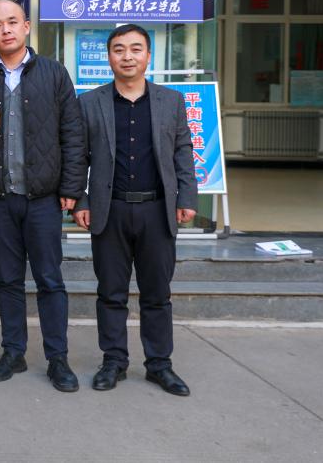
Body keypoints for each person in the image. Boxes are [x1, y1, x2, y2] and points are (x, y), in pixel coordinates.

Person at [72, 23, 197, 397]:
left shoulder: (171, 101)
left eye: (136, 49)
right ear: (109, 57)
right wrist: (80, 200)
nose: (127, 56)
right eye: (119, 49)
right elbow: (77, 157)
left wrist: (187, 197)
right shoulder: (89, 102)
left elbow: (183, 150)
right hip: (108, 211)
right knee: (110, 293)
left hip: (157, 211)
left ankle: (159, 365)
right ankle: (113, 362)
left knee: (157, 294)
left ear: (148, 55)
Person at [0, 0, 88, 392]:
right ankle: (13, 352)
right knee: (7, 279)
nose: (5, 30)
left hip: (43, 198)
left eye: (12, 22)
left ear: (26, 26)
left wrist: (72, 188)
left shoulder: (54, 73)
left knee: (49, 279)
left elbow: (73, 134)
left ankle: (58, 358)